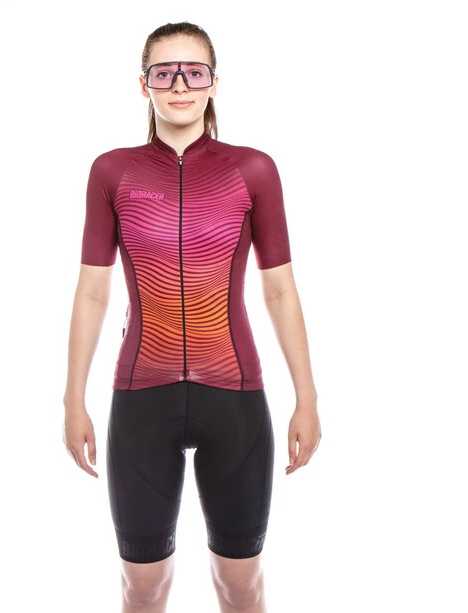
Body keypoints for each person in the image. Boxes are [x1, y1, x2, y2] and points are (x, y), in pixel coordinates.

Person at [63, 21, 322, 613]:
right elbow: (93, 292)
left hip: (235, 398)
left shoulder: (253, 169)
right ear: (144, 84)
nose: (180, 84)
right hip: (141, 398)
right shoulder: (112, 172)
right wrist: (73, 400)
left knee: (240, 585)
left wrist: (306, 398)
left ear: (213, 83)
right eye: (164, 72)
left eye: (193, 71)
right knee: (142, 588)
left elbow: (280, 290)